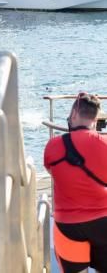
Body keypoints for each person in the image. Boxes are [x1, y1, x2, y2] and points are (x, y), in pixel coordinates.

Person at [44, 92, 107, 273]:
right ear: (95, 119)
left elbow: (51, 170)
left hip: (68, 225)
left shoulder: (53, 146)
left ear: (73, 115)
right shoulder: (104, 145)